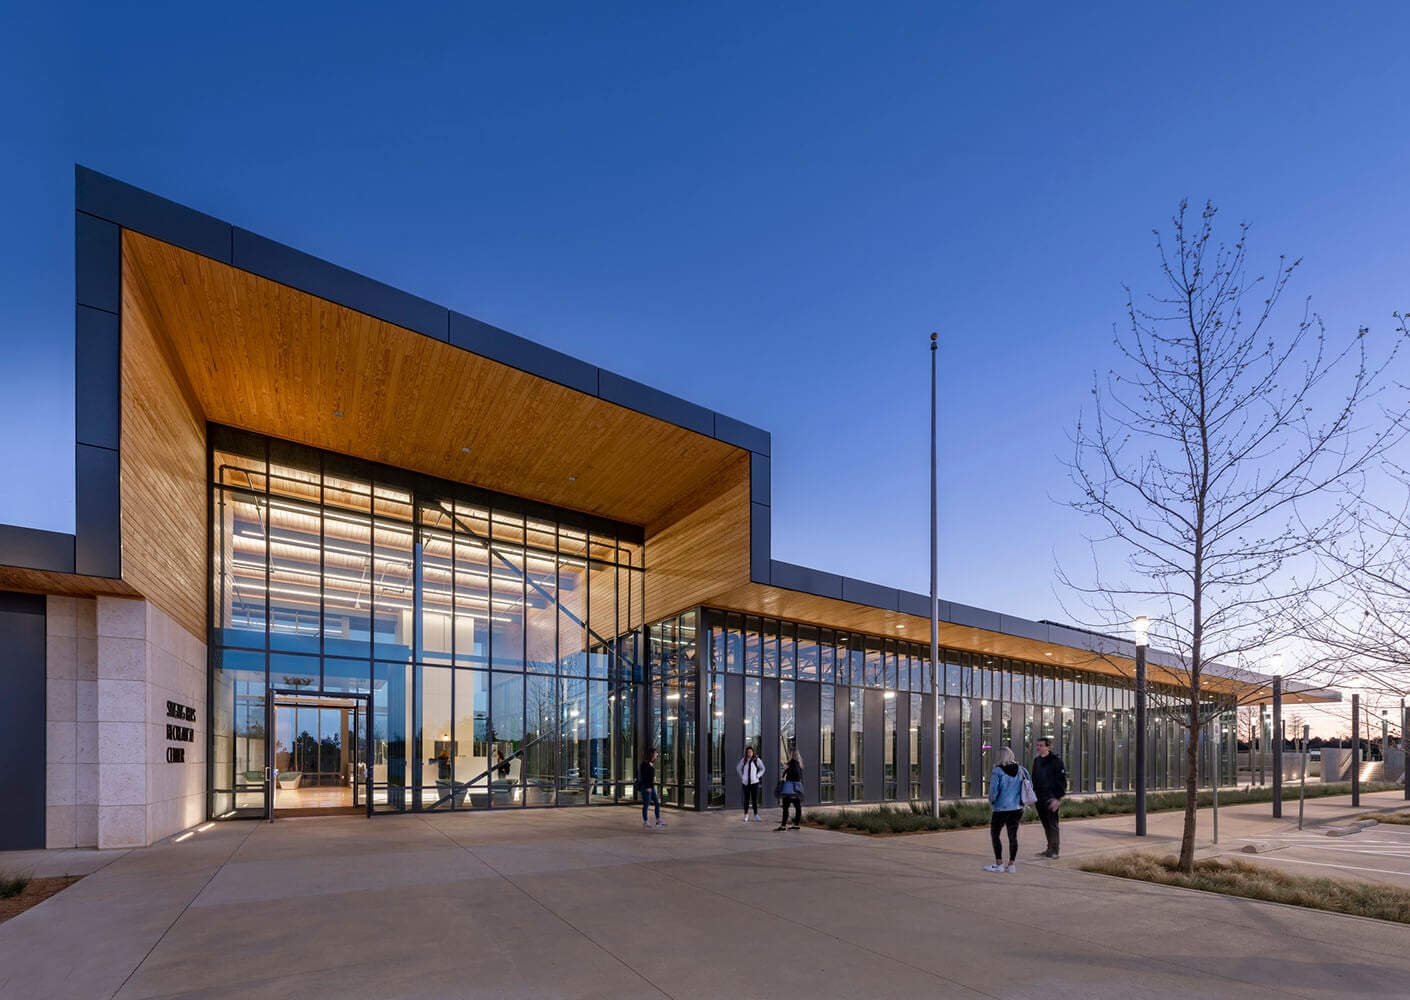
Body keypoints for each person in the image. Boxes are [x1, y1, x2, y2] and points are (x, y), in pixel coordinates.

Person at [985, 746, 1025, 872]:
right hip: (1017, 807)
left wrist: (992, 801)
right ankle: (1012, 864)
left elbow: (993, 791)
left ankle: (999, 864)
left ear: (999, 757)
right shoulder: (1021, 770)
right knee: (1013, 835)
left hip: (1001, 808)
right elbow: (1029, 784)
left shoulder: (997, 771)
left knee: (995, 834)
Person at [1032, 737, 1068, 859]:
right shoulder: (1036, 761)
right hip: (1039, 798)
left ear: (1048, 747)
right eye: (1037, 745)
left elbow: (1062, 782)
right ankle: (1049, 848)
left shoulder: (1055, 761)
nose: (1038, 747)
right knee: (1046, 824)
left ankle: (1055, 850)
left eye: (1041, 745)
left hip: (1051, 798)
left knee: (1052, 824)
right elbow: (1034, 779)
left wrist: (1057, 798)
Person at [775, 750, 803, 831]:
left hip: (789, 788)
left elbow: (794, 774)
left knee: (785, 806)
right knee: (797, 806)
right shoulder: (798, 764)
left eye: (789, 754)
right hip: (796, 789)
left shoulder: (793, 763)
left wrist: (787, 769)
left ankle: (783, 826)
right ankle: (796, 824)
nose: (788, 755)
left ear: (792, 755)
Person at [736, 746, 765, 822]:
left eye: (751, 752)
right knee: (746, 800)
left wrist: (757, 776)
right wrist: (742, 776)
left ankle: (756, 815)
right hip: (745, 783)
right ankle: (746, 815)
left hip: (754, 783)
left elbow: (763, 768)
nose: (749, 753)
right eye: (748, 752)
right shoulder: (744, 760)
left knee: (754, 800)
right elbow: (738, 768)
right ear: (746, 753)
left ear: (753, 752)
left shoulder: (756, 760)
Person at [639, 748, 665, 829]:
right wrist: (648, 787)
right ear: (651, 754)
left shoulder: (651, 763)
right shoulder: (644, 764)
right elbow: (644, 777)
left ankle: (658, 820)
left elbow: (650, 776)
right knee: (646, 804)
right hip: (646, 787)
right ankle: (645, 821)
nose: (657, 754)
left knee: (657, 802)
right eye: (656, 753)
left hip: (651, 786)